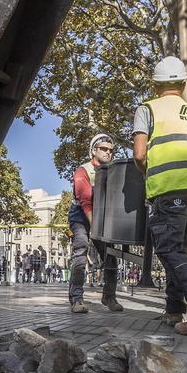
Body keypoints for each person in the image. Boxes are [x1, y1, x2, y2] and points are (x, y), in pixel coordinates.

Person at [132, 56, 187, 335]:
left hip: (169, 187)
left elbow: (139, 153)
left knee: (168, 249)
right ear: (183, 84)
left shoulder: (148, 108)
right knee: (178, 250)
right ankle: (174, 310)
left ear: (155, 85)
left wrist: (149, 173)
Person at [67, 134, 122, 313]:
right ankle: (76, 299)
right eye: (104, 149)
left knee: (110, 255)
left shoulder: (113, 171)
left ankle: (109, 297)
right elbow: (85, 201)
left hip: (103, 216)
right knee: (81, 250)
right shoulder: (83, 170)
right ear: (93, 150)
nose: (108, 153)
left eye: (111, 150)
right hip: (82, 216)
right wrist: (94, 227)